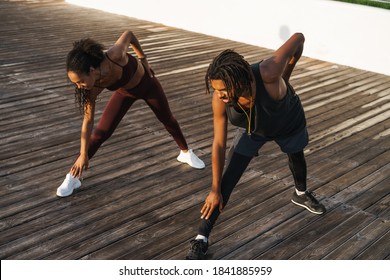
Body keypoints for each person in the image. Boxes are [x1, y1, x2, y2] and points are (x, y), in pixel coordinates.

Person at [186, 33, 326, 260]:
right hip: (253, 129)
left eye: (223, 90)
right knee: (226, 181)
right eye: (216, 90)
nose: (219, 95)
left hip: (287, 120)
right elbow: (219, 143)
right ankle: (201, 238)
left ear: (239, 82)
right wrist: (213, 189)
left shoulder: (269, 72)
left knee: (296, 156)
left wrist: (285, 76)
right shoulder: (219, 99)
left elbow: (298, 38)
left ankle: (301, 193)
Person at [56, 31, 205, 197]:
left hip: (148, 86)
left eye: (80, 81)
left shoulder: (115, 55)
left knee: (167, 119)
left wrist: (143, 59)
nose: (79, 86)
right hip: (124, 93)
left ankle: (185, 153)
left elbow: (129, 34)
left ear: (92, 70)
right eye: (76, 83)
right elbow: (88, 121)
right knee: (100, 133)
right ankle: (74, 177)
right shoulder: (91, 90)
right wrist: (83, 155)